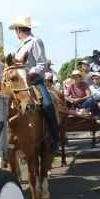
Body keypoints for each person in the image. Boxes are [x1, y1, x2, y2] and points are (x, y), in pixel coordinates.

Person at [10, 16, 60, 152]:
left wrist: (30, 72)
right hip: (20, 82)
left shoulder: (35, 41)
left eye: (16, 30)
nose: (16, 33)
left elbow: (42, 64)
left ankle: (55, 139)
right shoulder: (20, 46)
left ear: (19, 30)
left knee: (48, 105)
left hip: (34, 81)